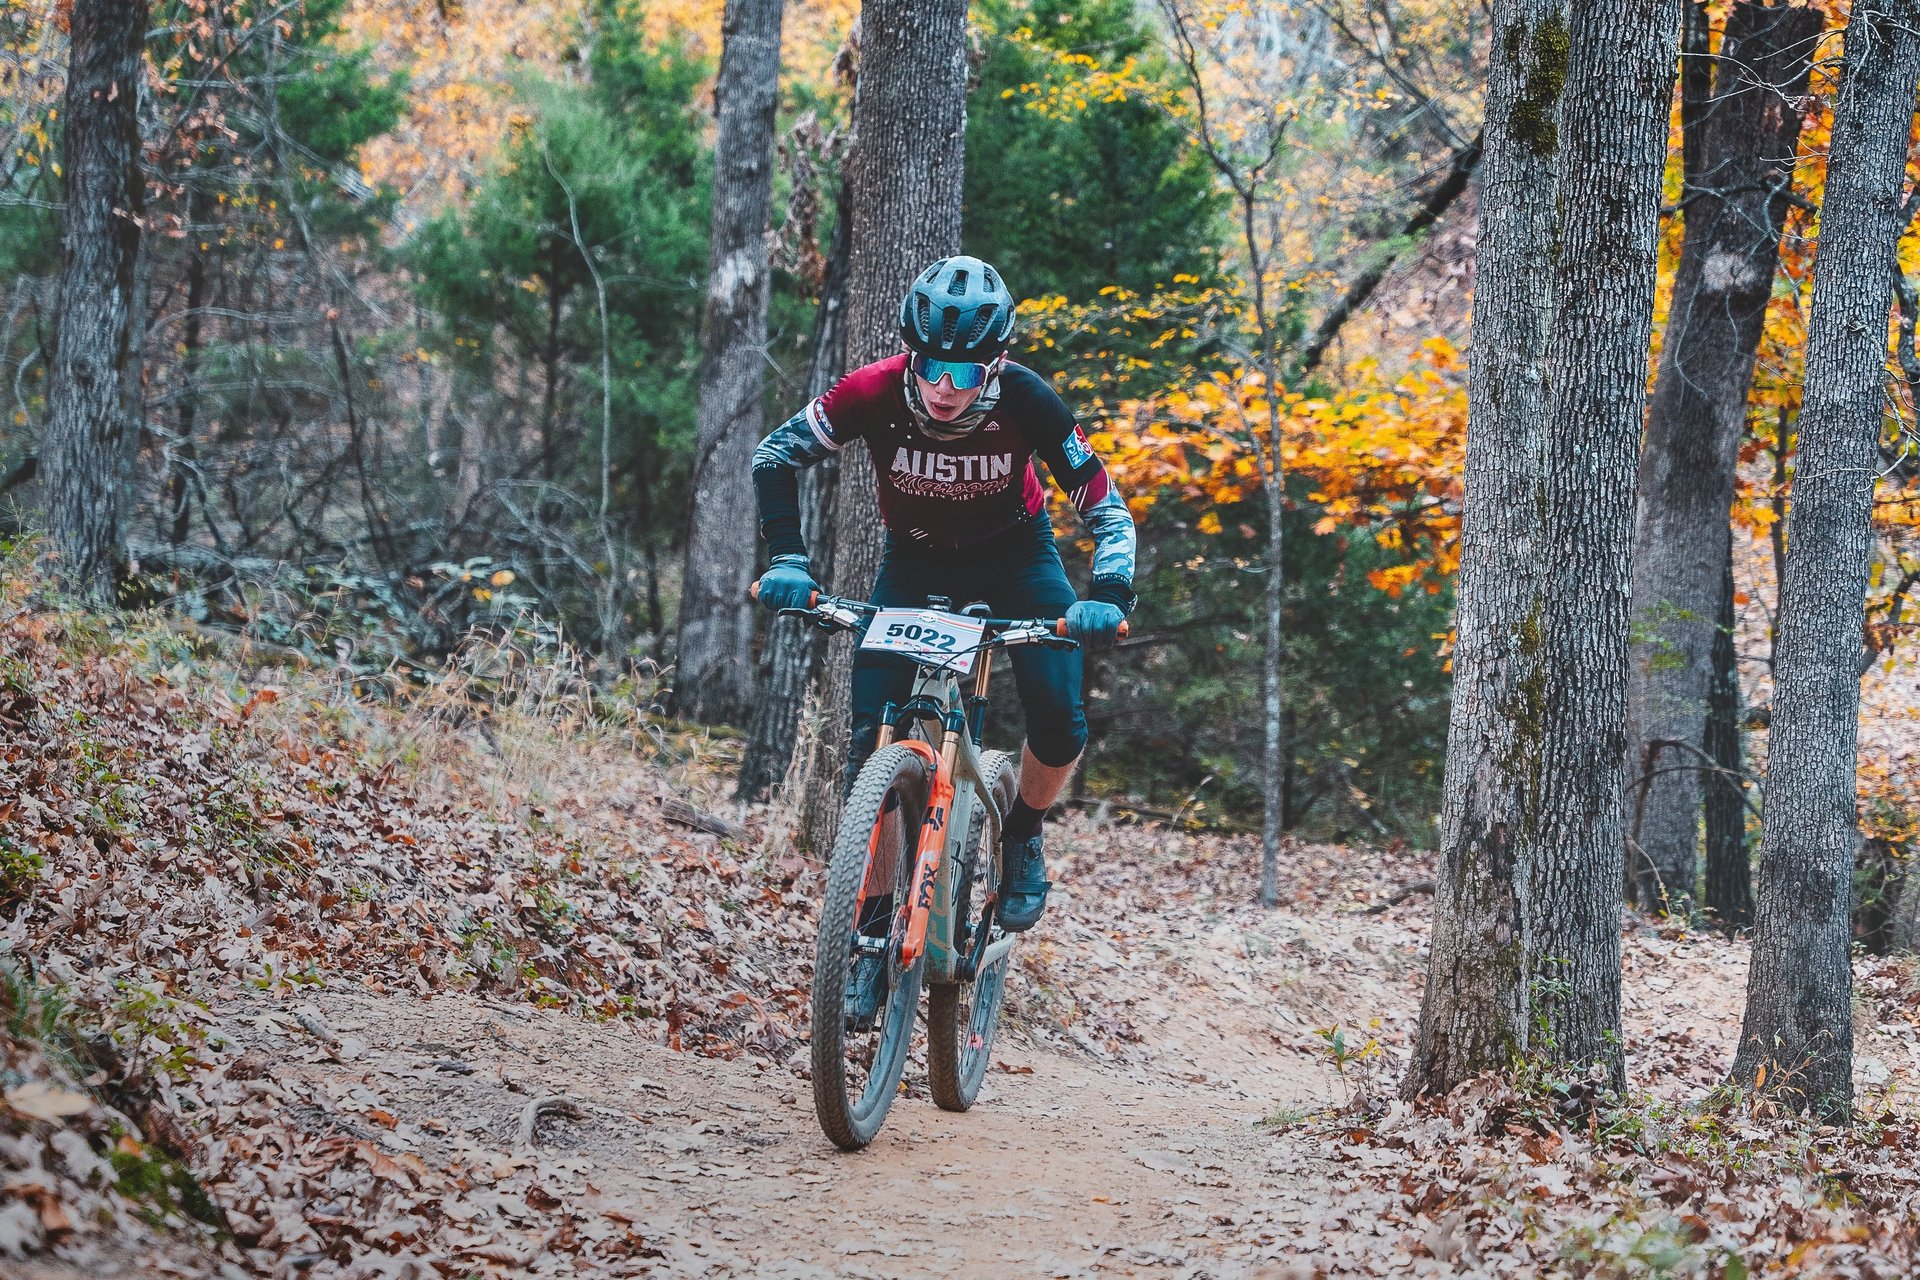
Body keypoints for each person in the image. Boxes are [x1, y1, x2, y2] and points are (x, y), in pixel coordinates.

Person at [749, 254, 1137, 943]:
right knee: (872, 738)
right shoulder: (870, 392)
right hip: (917, 558)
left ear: (996, 362)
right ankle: (866, 928)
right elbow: (774, 457)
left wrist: (1107, 595)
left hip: (1016, 556)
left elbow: (1107, 510)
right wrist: (787, 557)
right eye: (928, 366)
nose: (943, 387)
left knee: (1058, 712)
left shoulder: (1028, 400)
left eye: (963, 372)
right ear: (910, 353)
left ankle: (1020, 835)